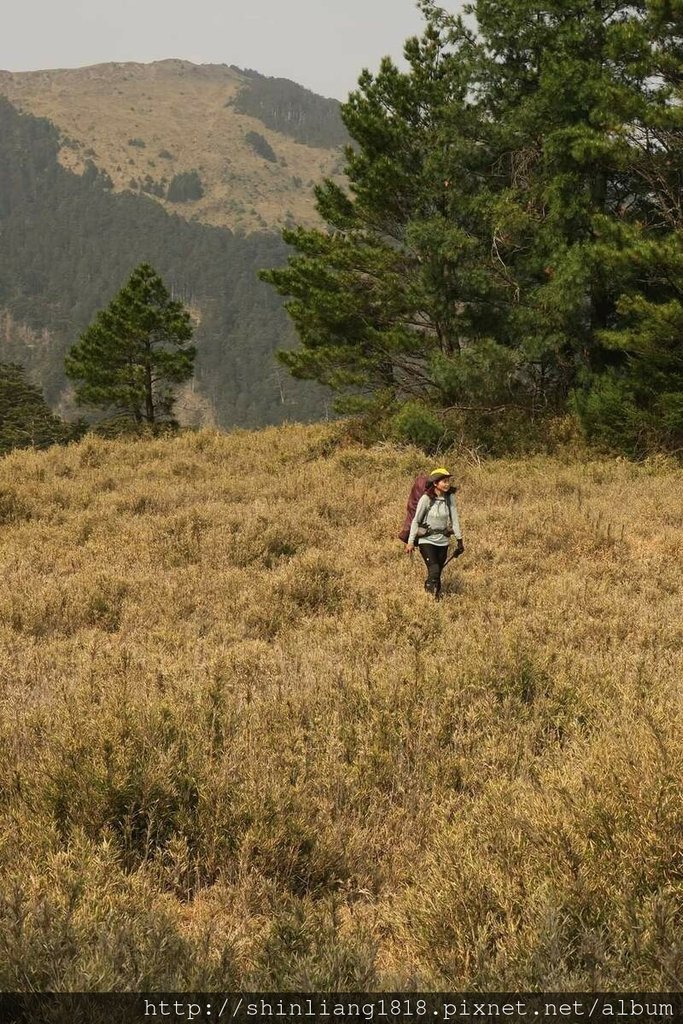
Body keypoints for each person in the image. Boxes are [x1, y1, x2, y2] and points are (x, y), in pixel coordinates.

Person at [405, 468, 464, 600]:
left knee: (437, 573)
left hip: (443, 541)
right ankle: (429, 599)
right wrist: (410, 542)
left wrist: (460, 541)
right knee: (435, 569)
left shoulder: (449, 498)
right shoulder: (426, 499)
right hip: (427, 541)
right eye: (444, 481)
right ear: (435, 483)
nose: (447, 484)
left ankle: (434, 599)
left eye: (448, 481)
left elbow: (455, 520)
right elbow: (416, 521)